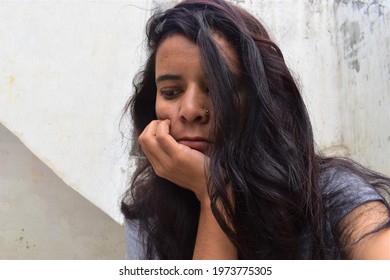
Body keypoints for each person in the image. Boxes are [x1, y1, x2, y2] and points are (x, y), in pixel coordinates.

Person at [121, 0, 390, 259]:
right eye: (170, 92)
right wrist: (216, 195)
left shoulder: (330, 195)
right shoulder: (148, 219)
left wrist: (215, 191)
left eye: (219, 88)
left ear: (259, 100)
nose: (190, 110)